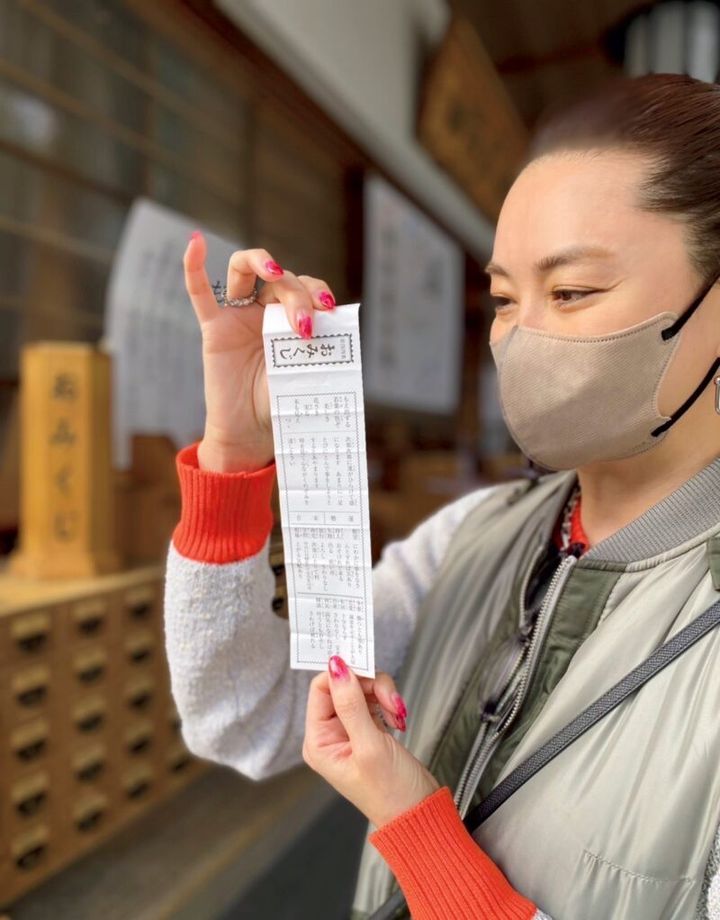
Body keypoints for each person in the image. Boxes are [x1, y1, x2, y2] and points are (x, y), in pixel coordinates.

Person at [163, 72, 720, 919]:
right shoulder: (473, 534)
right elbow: (248, 718)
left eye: (572, 292)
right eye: (504, 299)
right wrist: (235, 453)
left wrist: (417, 829)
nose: (523, 337)